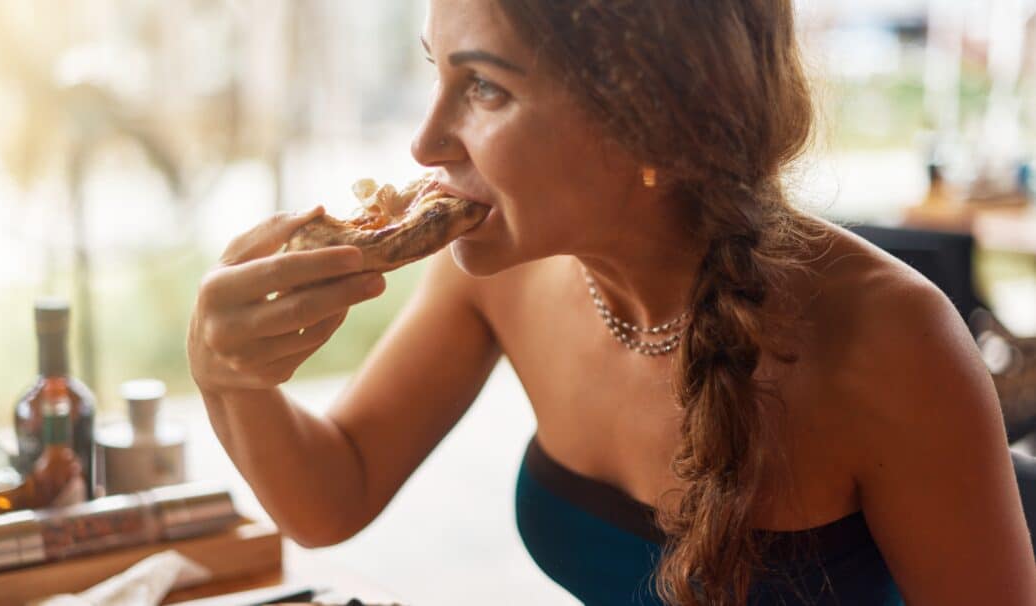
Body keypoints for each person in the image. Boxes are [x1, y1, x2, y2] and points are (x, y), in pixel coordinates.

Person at [186, 1, 1036, 604]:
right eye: (435, 71)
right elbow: (331, 497)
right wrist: (230, 374)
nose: (425, 141)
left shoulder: (894, 342)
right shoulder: (500, 270)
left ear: (654, 122)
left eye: (484, 89)